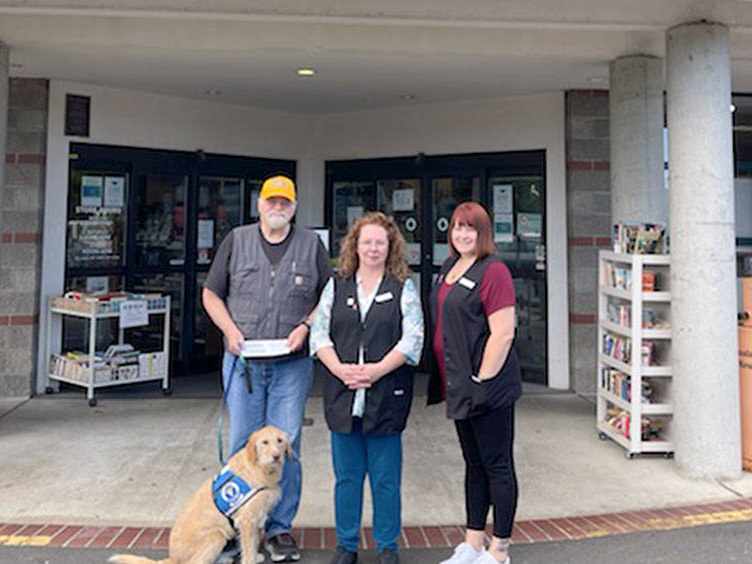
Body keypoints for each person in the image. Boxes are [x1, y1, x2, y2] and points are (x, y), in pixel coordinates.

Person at [203, 175, 329, 563]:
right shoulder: (236, 241)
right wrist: (228, 329)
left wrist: (306, 327)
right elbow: (211, 293)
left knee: (286, 445)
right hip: (243, 366)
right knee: (243, 443)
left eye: (284, 202)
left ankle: (279, 529)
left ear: (293, 207)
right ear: (259, 205)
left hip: (291, 366)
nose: (277, 207)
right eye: (271, 201)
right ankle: (235, 526)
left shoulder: (310, 245)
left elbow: (328, 296)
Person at [311, 212, 424, 564]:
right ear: (354, 246)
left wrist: (376, 371)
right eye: (366, 242)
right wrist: (340, 370)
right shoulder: (337, 284)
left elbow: (413, 339)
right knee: (347, 479)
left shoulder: (403, 286)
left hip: (386, 395)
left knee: (386, 480)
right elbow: (319, 334)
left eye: (380, 242)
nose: (373, 248)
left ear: (390, 246)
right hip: (343, 395)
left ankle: (387, 546)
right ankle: (346, 545)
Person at [427, 202, 521, 564]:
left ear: (483, 233)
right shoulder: (450, 267)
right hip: (460, 385)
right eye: (457, 227)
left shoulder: (493, 271)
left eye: (470, 228)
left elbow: (503, 333)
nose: (462, 234)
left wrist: (482, 378)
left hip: (488, 387)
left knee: (497, 465)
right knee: (473, 464)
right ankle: (473, 544)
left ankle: (499, 551)